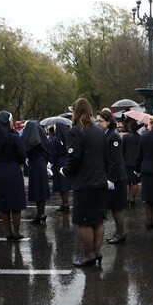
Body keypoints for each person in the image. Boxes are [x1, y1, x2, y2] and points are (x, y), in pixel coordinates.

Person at [61, 98, 109, 267]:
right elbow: (106, 157)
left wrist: (65, 171)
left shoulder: (75, 131)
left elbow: (74, 157)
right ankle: (97, 252)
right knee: (98, 220)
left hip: (85, 182)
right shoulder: (99, 131)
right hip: (100, 181)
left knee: (84, 221)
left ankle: (88, 254)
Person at [0, 111, 27, 240]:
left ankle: (8, 232)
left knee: (4, 205)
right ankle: (16, 232)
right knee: (15, 205)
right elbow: (22, 156)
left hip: (0, 171)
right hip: (13, 170)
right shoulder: (15, 137)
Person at [96, 109, 128, 243]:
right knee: (114, 207)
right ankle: (118, 232)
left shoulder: (113, 135)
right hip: (113, 176)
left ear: (108, 121)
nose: (98, 123)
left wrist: (111, 178)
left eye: (101, 121)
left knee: (116, 207)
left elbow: (115, 160)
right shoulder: (107, 134)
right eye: (97, 121)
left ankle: (121, 234)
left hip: (117, 178)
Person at [22, 120, 50, 224]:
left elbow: (26, 151)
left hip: (35, 164)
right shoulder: (42, 139)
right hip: (41, 163)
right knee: (41, 190)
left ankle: (40, 214)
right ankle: (41, 213)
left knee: (38, 190)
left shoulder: (31, 140)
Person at [49, 122, 72, 212]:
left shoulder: (55, 139)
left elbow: (53, 152)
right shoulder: (67, 138)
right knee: (66, 184)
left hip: (59, 162)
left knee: (62, 185)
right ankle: (65, 203)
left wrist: (51, 162)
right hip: (66, 161)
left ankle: (65, 203)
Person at [122, 119, 141, 206]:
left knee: (127, 182)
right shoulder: (140, 137)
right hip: (136, 162)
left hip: (127, 161)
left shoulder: (125, 137)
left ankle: (126, 199)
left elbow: (122, 150)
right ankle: (133, 199)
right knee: (135, 182)